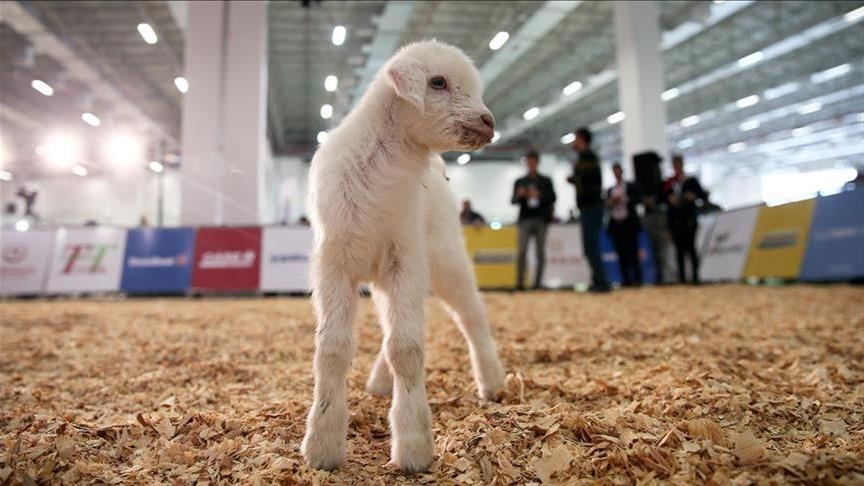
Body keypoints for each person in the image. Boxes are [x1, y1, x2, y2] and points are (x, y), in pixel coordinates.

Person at [568, 127, 611, 292]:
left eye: (575, 138)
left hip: (591, 207)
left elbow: (586, 179)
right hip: (589, 207)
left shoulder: (587, 157)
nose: (573, 142)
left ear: (582, 139)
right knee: (590, 246)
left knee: (591, 246)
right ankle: (598, 281)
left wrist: (573, 178)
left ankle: (602, 282)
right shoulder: (585, 157)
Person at [511, 151, 556, 290]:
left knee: (540, 252)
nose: (530, 164)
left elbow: (553, 198)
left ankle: (537, 283)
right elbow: (513, 200)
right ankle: (520, 283)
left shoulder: (546, 181)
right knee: (521, 251)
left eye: (533, 161)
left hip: (541, 219)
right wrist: (520, 195)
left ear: (537, 162)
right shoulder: (520, 182)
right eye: (528, 161)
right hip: (525, 219)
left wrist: (540, 195)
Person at [663, 155, 707, 284]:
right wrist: (669, 199)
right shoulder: (669, 183)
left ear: (682, 164)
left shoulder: (691, 180)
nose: (676, 167)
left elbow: (702, 195)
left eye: (678, 164)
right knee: (679, 249)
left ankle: (695, 277)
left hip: (689, 218)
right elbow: (662, 200)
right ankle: (682, 278)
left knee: (691, 247)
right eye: (674, 164)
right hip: (675, 220)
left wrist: (692, 196)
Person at [606, 162, 642, 286]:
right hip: (616, 224)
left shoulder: (631, 186)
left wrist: (624, 199)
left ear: (622, 171)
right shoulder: (610, 189)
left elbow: (638, 199)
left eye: (618, 171)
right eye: (614, 172)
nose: (616, 174)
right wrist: (611, 202)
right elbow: (607, 205)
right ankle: (625, 279)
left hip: (629, 223)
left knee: (633, 252)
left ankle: (637, 278)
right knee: (621, 253)